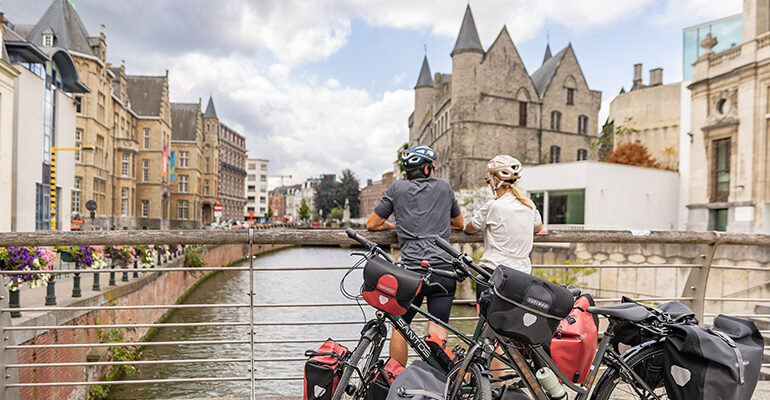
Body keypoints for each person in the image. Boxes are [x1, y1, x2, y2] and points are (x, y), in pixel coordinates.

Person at [366, 144, 464, 366]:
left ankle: (396, 379)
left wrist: (396, 226)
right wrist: (436, 219)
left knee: (400, 327)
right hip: (442, 270)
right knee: (437, 329)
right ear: (428, 169)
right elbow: (459, 223)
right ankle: (437, 385)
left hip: (411, 272)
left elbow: (372, 224)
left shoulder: (397, 188)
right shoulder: (444, 187)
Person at [464, 154, 543, 386]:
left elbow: (470, 228)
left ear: (495, 182)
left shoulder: (493, 205)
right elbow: (539, 228)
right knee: (506, 333)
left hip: (492, 275)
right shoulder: (529, 206)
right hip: (521, 280)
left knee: (486, 332)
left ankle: (483, 382)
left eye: (488, 181)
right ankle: (500, 384)